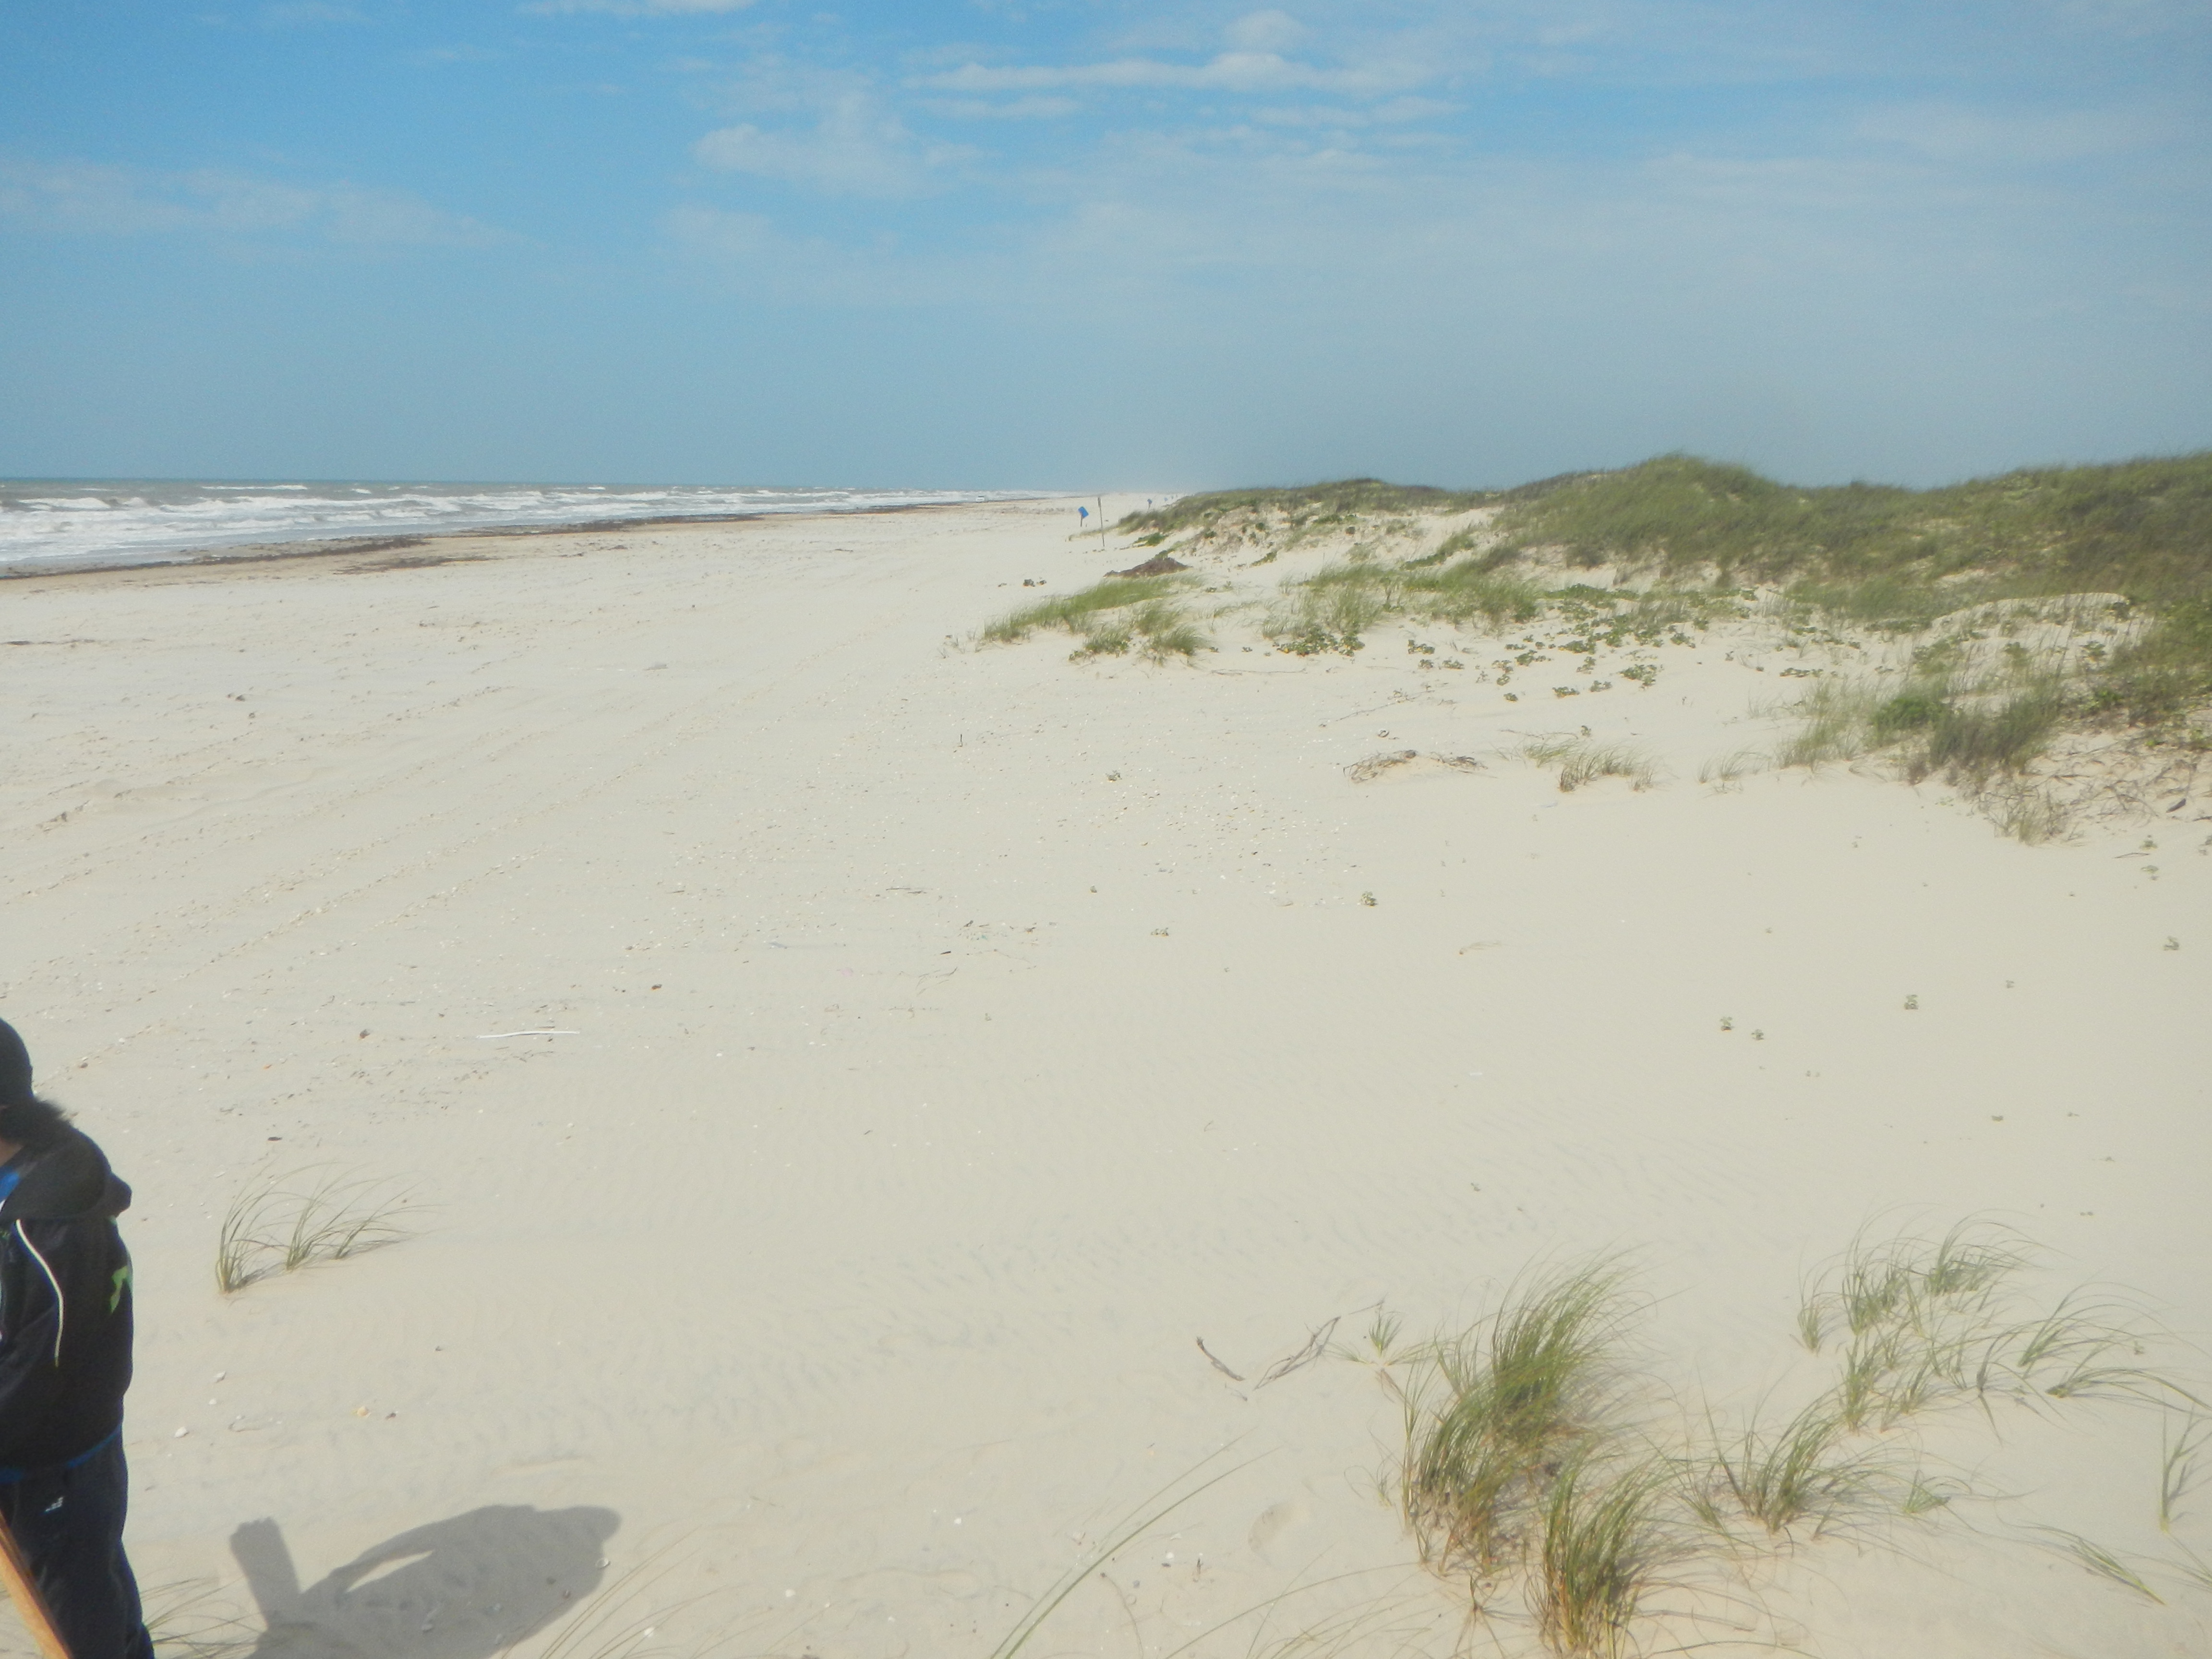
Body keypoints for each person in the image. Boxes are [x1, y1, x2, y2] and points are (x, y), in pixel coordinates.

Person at [0, 1017, 153, 1659]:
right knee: (98, 1570)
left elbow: (45, 1362)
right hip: (74, 1436)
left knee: (76, 1610)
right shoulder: (52, 1157)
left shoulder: (49, 1224)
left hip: (51, 1454)